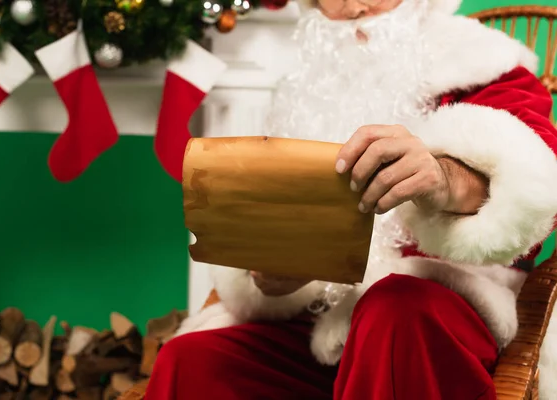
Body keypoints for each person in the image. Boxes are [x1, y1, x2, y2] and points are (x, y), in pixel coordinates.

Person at [147, 0, 557, 398]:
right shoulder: (303, 93)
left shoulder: (483, 66)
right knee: (194, 359)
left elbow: (535, 188)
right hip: (320, 319)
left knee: (394, 309)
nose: (354, 9)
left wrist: (444, 177)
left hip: (440, 313)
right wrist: (275, 278)